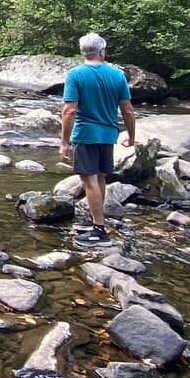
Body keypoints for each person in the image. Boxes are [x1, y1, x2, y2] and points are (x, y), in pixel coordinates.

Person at [59, 32, 137, 247]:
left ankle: (99, 230)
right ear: (102, 51)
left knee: (89, 180)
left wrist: (64, 141)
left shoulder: (76, 74)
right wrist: (131, 135)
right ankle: (98, 221)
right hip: (108, 133)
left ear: (83, 52)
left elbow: (69, 110)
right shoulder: (117, 75)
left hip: (86, 134)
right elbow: (128, 110)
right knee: (100, 177)